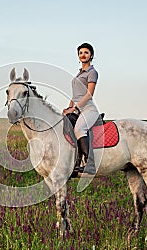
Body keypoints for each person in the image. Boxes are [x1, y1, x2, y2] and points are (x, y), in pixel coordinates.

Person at [63, 42, 100, 175]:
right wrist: (69, 107)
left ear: (91, 55)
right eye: (80, 53)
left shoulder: (92, 72)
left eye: (86, 52)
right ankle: (75, 162)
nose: (83, 55)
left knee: (79, 129)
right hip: (77, 108)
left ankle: (90, 164)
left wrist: (75, 108)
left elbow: (89, 94)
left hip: (88, 109)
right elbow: (75, 95)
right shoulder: (79, 74)